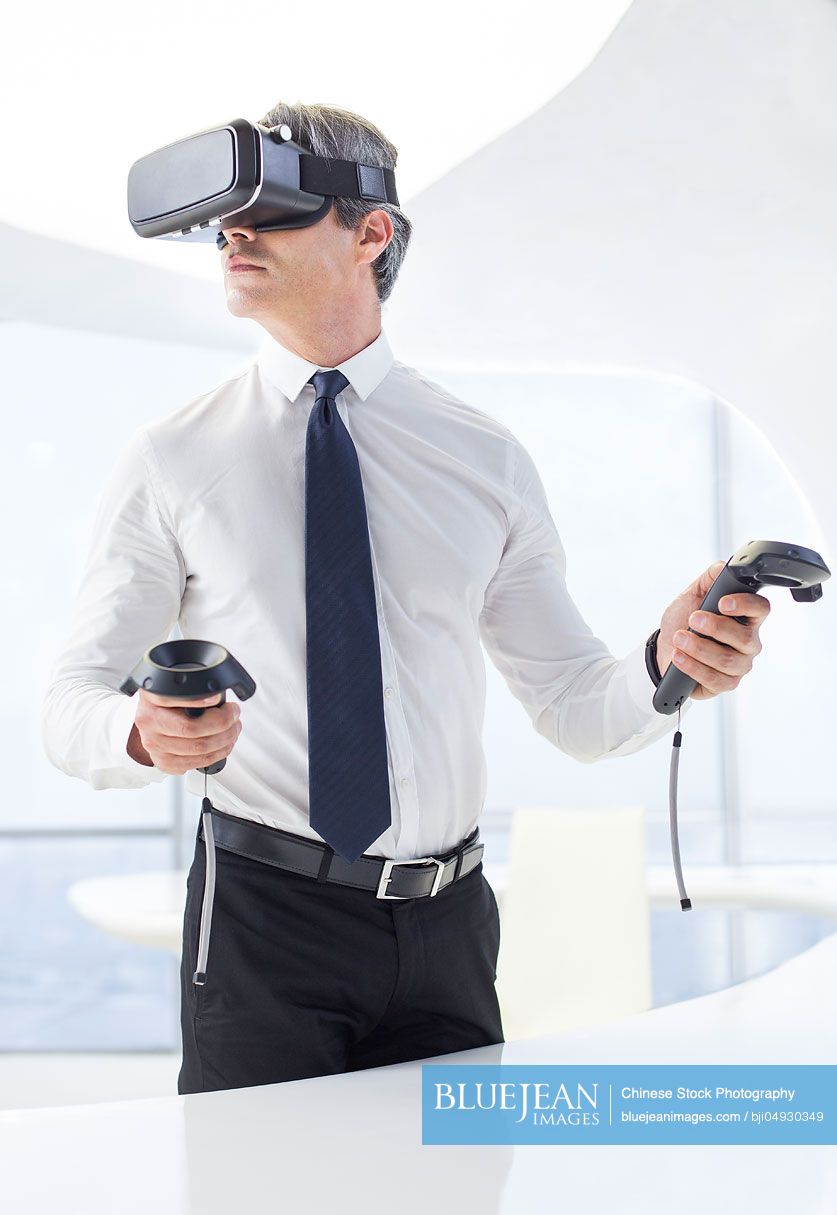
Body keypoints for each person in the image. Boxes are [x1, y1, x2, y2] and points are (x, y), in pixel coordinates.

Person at [42, 101, 771, 1094]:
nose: (235, 237)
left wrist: (668, 662)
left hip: (450, 925)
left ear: (370, 232)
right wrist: (138, 731)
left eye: (271, 212)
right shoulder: (172, 459)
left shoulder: (482, 458)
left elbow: (576, 708)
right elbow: (68, 701)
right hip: (263, 918)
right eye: (226, 220)